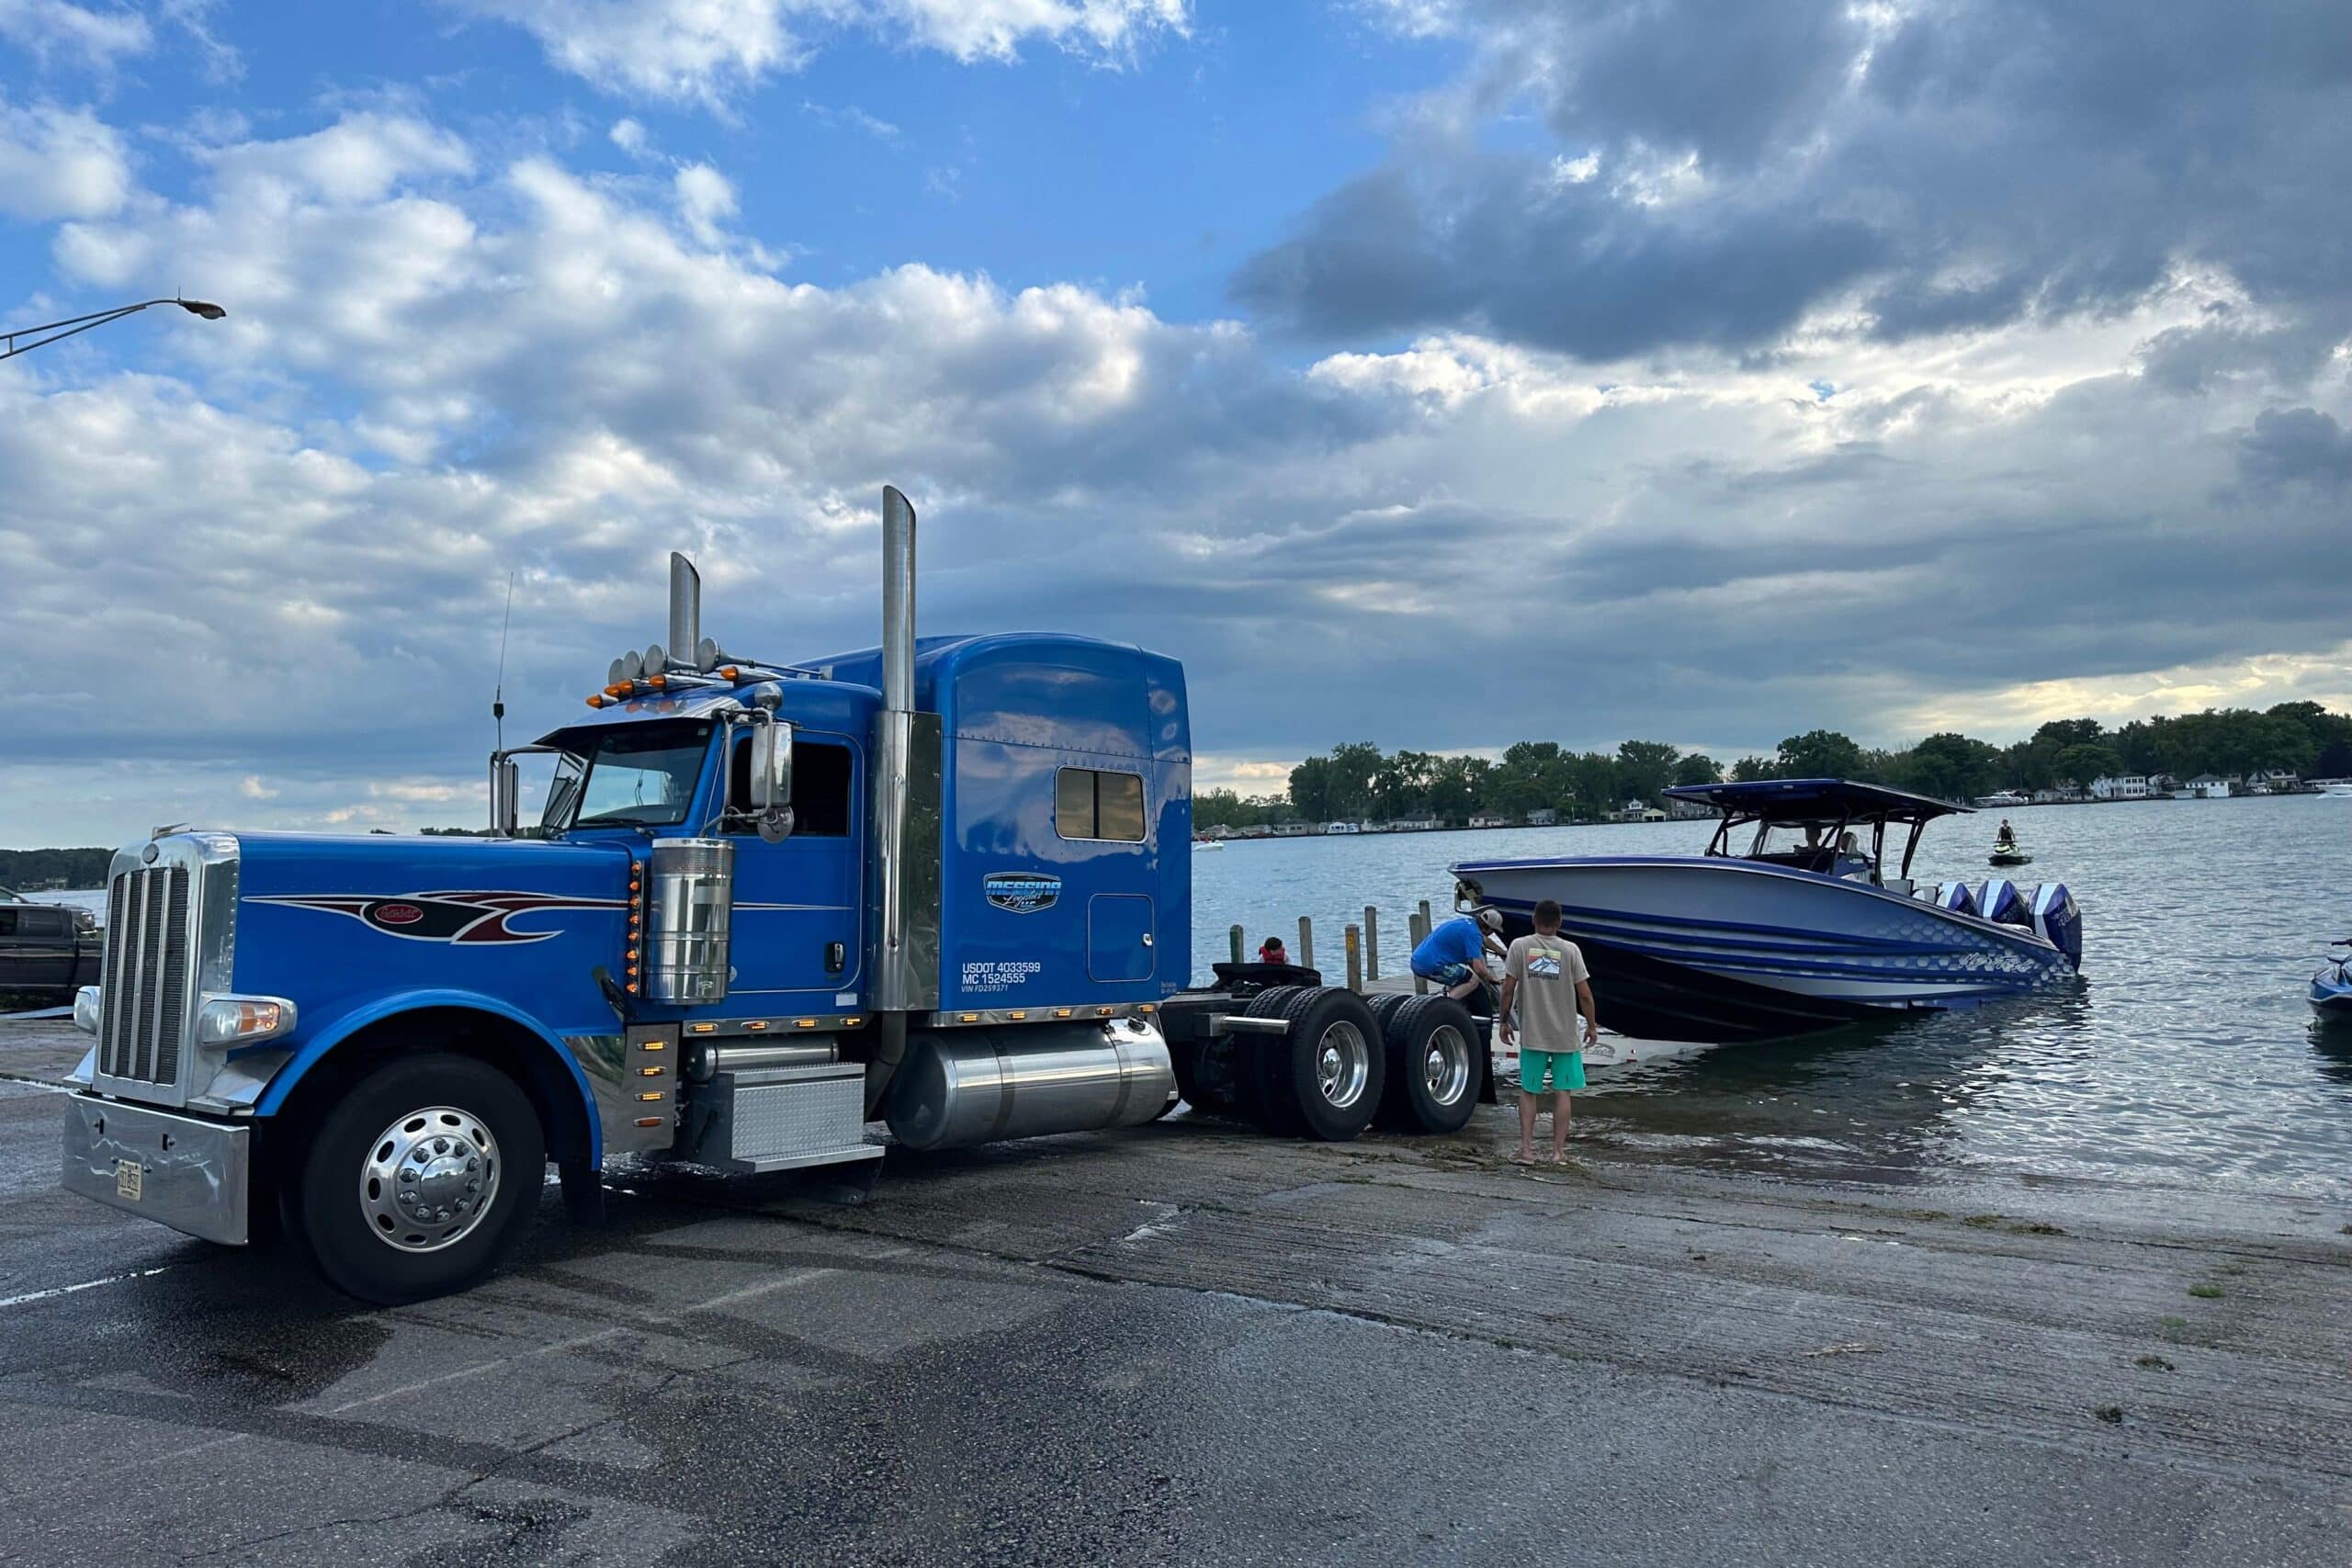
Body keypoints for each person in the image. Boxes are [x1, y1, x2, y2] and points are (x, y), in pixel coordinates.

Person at [1497, 898, 1599, 1164]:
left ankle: (1527, 1151)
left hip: (1533, 1034)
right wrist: (1591, 1026)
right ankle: (1558, 1153)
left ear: (1533, 919)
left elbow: (1508, 989)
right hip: (1565, 1035)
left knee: (1529, 1091)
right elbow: (1585, 994)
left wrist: (1503, 1021)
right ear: (1560, 923)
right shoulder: (1571, 950)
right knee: (1562, 1092)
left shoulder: (1519, 946)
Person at [1409, 907, 1505, 1002]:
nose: (1492, 933)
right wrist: (1491, 978)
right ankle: (1445, 1004)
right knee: (1472, 980)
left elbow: (1484, 940)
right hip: (1430, 965)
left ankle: (1450, 998)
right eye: (1493, 931)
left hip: (1417, 961)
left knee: (1459, 979)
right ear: (1488, 928)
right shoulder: (1474, 934)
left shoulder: (1466, 923)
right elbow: (1478, 968)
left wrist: (1501, 951)